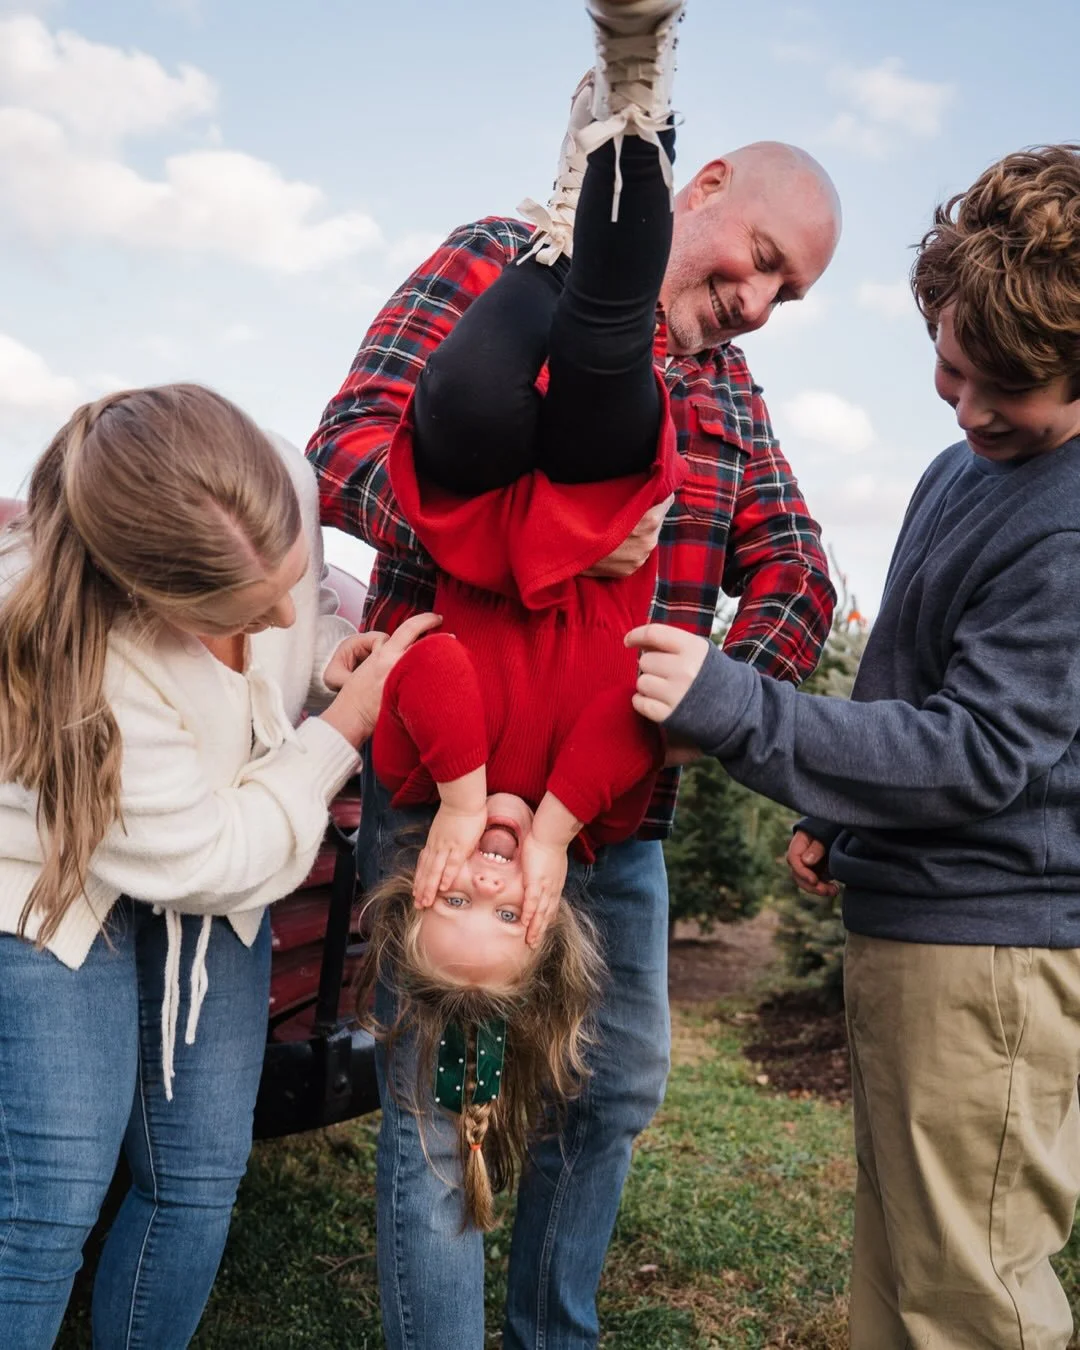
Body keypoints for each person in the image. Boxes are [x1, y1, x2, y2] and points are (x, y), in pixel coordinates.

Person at [308, 0, 840, 1342]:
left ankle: (554, 1329)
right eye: (763, 260)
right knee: (439, 1102)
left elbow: (800, 577)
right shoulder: (495, 258)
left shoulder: (733, 397)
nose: (762, 304)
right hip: (448, 794)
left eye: (791, 294)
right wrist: (512, 539)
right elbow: (347, 446)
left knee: (609, 1092)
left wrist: (691, 708)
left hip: (614, 809)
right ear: (703, 190)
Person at [626, 144, 1080, 1350]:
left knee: (971, 1296)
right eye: (952, 369)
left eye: (1012, 393)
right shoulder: (959, 471)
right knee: (902, 1277)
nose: (975, 411)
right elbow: (911, 680)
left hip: (992, 953)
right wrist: (843, 813)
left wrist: (736, 706)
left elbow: (984, 747)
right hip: (914, 925)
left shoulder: (1072, 519)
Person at [0, 383, 435, 1349]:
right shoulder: (84, 656)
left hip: (223, 846)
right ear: (149, 600)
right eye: (249, 607)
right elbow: (214, 855)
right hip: (57, 877)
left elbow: (304, 604)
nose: (283, 610)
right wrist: (343, 728)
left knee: (199, 1174)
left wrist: (327, 653)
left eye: (289, 576)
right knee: (54, 1193)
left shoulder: (272, 474)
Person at [358, 6, 690, 1230]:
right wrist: (551, 828)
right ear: (546, 915)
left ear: (419, 885)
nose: (490, 878)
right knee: (609, 354)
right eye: (511, 913)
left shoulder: (424, 769)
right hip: (592, 539)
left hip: (477, 518)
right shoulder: (580, 819)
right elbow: (630, 728)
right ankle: (638, 99)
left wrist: (461, 794)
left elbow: (431, 661)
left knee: (470, 384)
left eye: (457, 899)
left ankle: (558, 231)